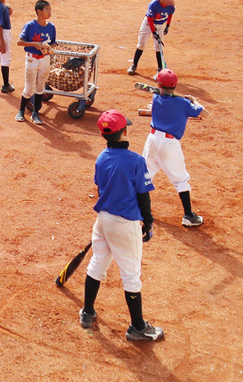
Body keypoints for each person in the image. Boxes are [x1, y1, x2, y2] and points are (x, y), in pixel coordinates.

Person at [79, 109, 164, 342]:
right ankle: (137, 327)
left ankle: (87, 312)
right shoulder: (136, 160)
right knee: (131, 275)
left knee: (98, 263)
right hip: (125, 224)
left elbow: (101, 188)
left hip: (103, 219)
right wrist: (148, 222)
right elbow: (143, 196)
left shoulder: (101, 158)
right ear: (124, 131)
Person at [142, 68, 205, 227]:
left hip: (152, 140)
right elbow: (204, 113)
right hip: (169, 145)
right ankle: (188, 216)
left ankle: (138, 209)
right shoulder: (183, 103)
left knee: (145, 175)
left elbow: (162, 95)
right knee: (180, 179)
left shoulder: (156, 97)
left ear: (159, 84)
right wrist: (193, 100)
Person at [16, 0, 56, 125]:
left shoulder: (51, 27)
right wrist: (34, 44)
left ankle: (35, 114)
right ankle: (21, 111)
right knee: (29, 88)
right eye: (47, 9)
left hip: (45, 59)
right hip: (31, 59)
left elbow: (53, 42)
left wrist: (48, 48)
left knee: (40, 87)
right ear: (39, 12)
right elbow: (19, 42)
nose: (50, 12)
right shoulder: (30, 26)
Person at [127, 0, 176, 77]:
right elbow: (150, 19)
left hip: (160, 25)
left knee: (158, 46)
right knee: (141, 44)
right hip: (148, 25)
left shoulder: (171, 5)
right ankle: (134, 65)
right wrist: (154, 33)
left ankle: (160, 69)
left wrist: (167, 26)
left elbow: (170, 14)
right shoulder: (154, 5)